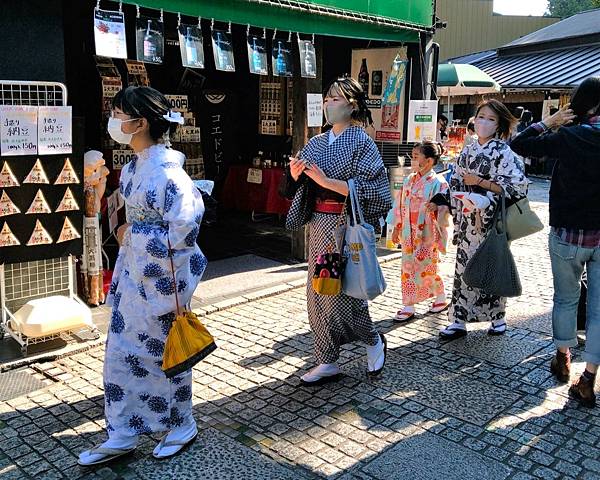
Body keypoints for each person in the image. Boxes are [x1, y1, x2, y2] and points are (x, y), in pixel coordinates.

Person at [78, 86, 207, 465]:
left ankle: (181, 423)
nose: (114, 121)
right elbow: (127, 218)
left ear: (142, 122)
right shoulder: (134, 168)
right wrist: (120, 223)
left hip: (162, 283)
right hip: (133, 277)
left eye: (119, 113)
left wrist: (132, 234)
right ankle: (122, 430)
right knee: (121, 352)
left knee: (166, 354)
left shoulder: (170, 173)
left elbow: (184, 228)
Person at [286, 77, 392, 386]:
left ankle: (372, 340)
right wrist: (295, 177)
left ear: (353, 105)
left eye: (335, 99)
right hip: (320, 226)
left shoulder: (362, 141)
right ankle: (326, 359)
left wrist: (324, 181)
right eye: (328, 99)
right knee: (319, 292)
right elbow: (297, 186)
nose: (328, 104)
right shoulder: (318, 142)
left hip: (345, 227)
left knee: (344, 292)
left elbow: (376, 190)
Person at [510, 76, 600, 408]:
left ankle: (562, 357)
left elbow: (519, 145)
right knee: (599, 311)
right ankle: (588, 377)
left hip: (567, 233)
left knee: (565, 299)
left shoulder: (570, 136)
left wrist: (547, 122)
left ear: (584, 104)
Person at [440, 99, 528, 340]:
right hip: (468, 218)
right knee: (463, 268)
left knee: (492, 265)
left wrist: (481, 185)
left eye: (491, 119)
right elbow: (456, 177)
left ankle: (497, 316)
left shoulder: (504, 152)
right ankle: (458, 318)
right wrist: (456, 196)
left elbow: (517, 186)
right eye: (480, 117)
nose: (484, 123)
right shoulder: (468, 149)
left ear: (499, 124)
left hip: (492, 220)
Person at [388, 141, 450, 322]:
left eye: (416, 157)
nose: (412, 160)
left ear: (429, 161)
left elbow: (447, 205)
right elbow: (399, 205)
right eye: (412, 157)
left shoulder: (439, 182)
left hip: (428, 232)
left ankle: (440, 297)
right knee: (408, 267)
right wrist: (396, 226)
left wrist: (437, 206)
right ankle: (409, 304)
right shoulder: (409, 180)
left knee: (428, 267)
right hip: (409, 231)